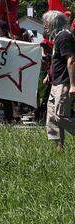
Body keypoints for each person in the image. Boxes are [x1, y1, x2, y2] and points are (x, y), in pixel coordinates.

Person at [42, 11, 75, 150]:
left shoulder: (64, 36)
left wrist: (73, 85)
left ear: (53, 22)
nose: (45, 26)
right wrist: (48, 75)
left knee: (61, 116)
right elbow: (58, 62)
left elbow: (71, 60)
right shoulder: (58, 38)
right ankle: (59, 150)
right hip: (55, 83)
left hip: (64, 82)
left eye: (46, 23)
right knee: (52, 119)